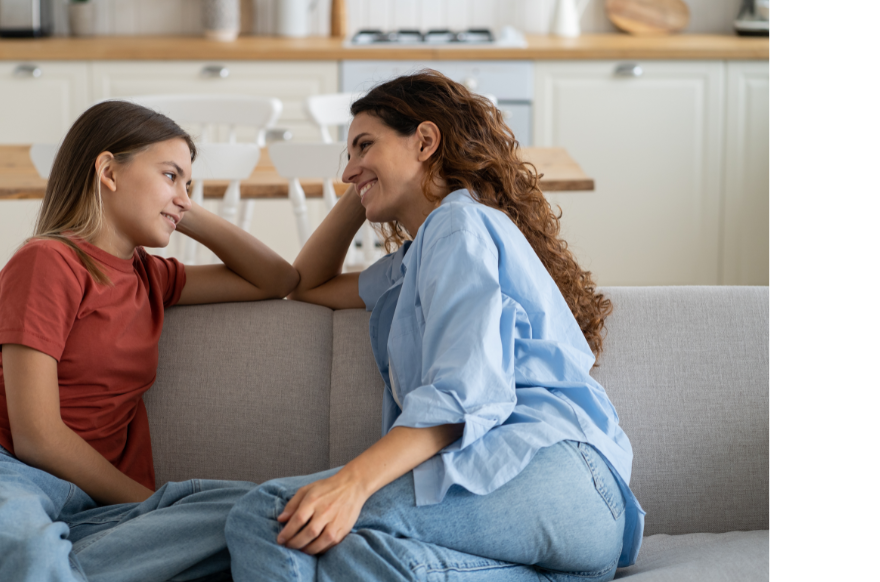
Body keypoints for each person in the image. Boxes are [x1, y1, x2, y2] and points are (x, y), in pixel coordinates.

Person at [224, 70, 645, 581]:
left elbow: (463, 393)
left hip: (546, 470)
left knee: (271, 514)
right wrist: (367, 181)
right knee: (354, 557)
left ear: (425, 140)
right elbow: (306, 283)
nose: (348, 169)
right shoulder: (415, 260)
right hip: (580, 525)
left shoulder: (457, 225)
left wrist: (353, 483)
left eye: (364, 145)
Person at [0, 100, 300, 582]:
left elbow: (276, 279)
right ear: (108, 170)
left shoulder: (152, 277)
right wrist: (147, 505)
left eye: (188, 182)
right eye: (170, 175)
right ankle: (15, 564)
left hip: (84, 508)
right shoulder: (48, 262)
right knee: (26, 543)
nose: (183, 195)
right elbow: (37, 438)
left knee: (261, 514)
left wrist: (180, 207)